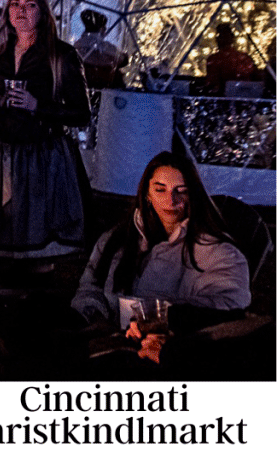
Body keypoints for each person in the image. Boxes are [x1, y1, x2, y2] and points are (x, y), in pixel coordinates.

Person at [70, 151, 251, 360]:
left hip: (169, 350)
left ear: (193, 194)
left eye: (181, 191)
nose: (170, 200)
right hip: (107, 337)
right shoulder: (117, 240)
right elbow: (89, 285)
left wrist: (161, 319)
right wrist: (95, 316)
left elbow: (230, 302)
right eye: (160, 189)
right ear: (147, 193)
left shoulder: (215, 251)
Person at [0, 0, 92, 259]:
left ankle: (35, 287)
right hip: (2, 155)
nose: (21, 10)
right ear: (7, 12)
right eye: (15, 4)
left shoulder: (62, 56)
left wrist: (39, 106)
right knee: (0, 232)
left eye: (30, 5)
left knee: (37, 235)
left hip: (43, 157)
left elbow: (82, 114)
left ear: (43, 13)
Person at [74, 8, 126, 90]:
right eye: (105, 28)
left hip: (81, 87)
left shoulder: (77, 45)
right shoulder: (105, 47)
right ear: (101, 29)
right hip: (106, 88)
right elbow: (123, 60)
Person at [204, 23, 257, 95]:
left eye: (221, 36)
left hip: (223, 98)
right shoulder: (245, 58)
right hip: (243, 96)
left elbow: (211, 83)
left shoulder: (214, 59)